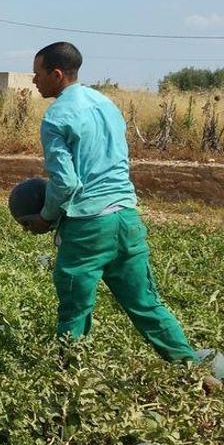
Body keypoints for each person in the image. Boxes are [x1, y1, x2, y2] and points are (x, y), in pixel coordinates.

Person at [20, 42, 199, 364]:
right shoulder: (106, 104)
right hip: (126, 218)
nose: (34, 81)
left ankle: (67, 383)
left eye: (38, 74)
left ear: (56, 75)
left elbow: (67, 182)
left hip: (88, 226)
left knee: (74, 309)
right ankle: (191, 367)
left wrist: (45, 218)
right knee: (146, 302)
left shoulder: (57, 117)